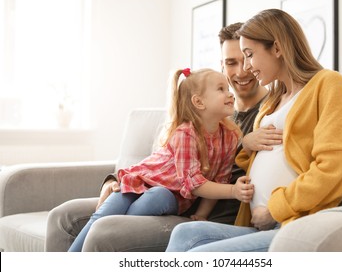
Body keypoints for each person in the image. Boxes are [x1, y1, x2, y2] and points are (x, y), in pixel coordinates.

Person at [45, 22, 275, 252]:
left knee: (109, 229)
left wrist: (203, 213)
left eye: (247, 58)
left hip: (195, 213)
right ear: (222, 66)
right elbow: (161, 165)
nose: (242, 70)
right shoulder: (207, 115)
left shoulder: (270, 113)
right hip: (158, 192)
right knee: (62, 217)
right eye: (231, 62)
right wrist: (114, 179)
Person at [165, 8, 342, 252]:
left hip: (295, 224)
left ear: (278, 48)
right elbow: (255, 159)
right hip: (257, 223)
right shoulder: (274, 99)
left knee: (202, 254)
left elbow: (336, 168)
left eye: (250, 55)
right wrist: (247, 146)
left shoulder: (328, 84)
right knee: (184, 233)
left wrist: (274, 209)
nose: (247, 67)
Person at [67, 67, 256, 252]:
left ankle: (115, 233)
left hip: (166, 196)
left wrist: (201, 215)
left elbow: (219, 180)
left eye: (228, 89)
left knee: (160, 196)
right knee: (104, 215)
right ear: (199, 102)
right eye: (221, 89)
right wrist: (234, 191)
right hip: (137, 181)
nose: (230, 94)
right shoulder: (186, 133)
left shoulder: (229, 136)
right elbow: (194, 183)